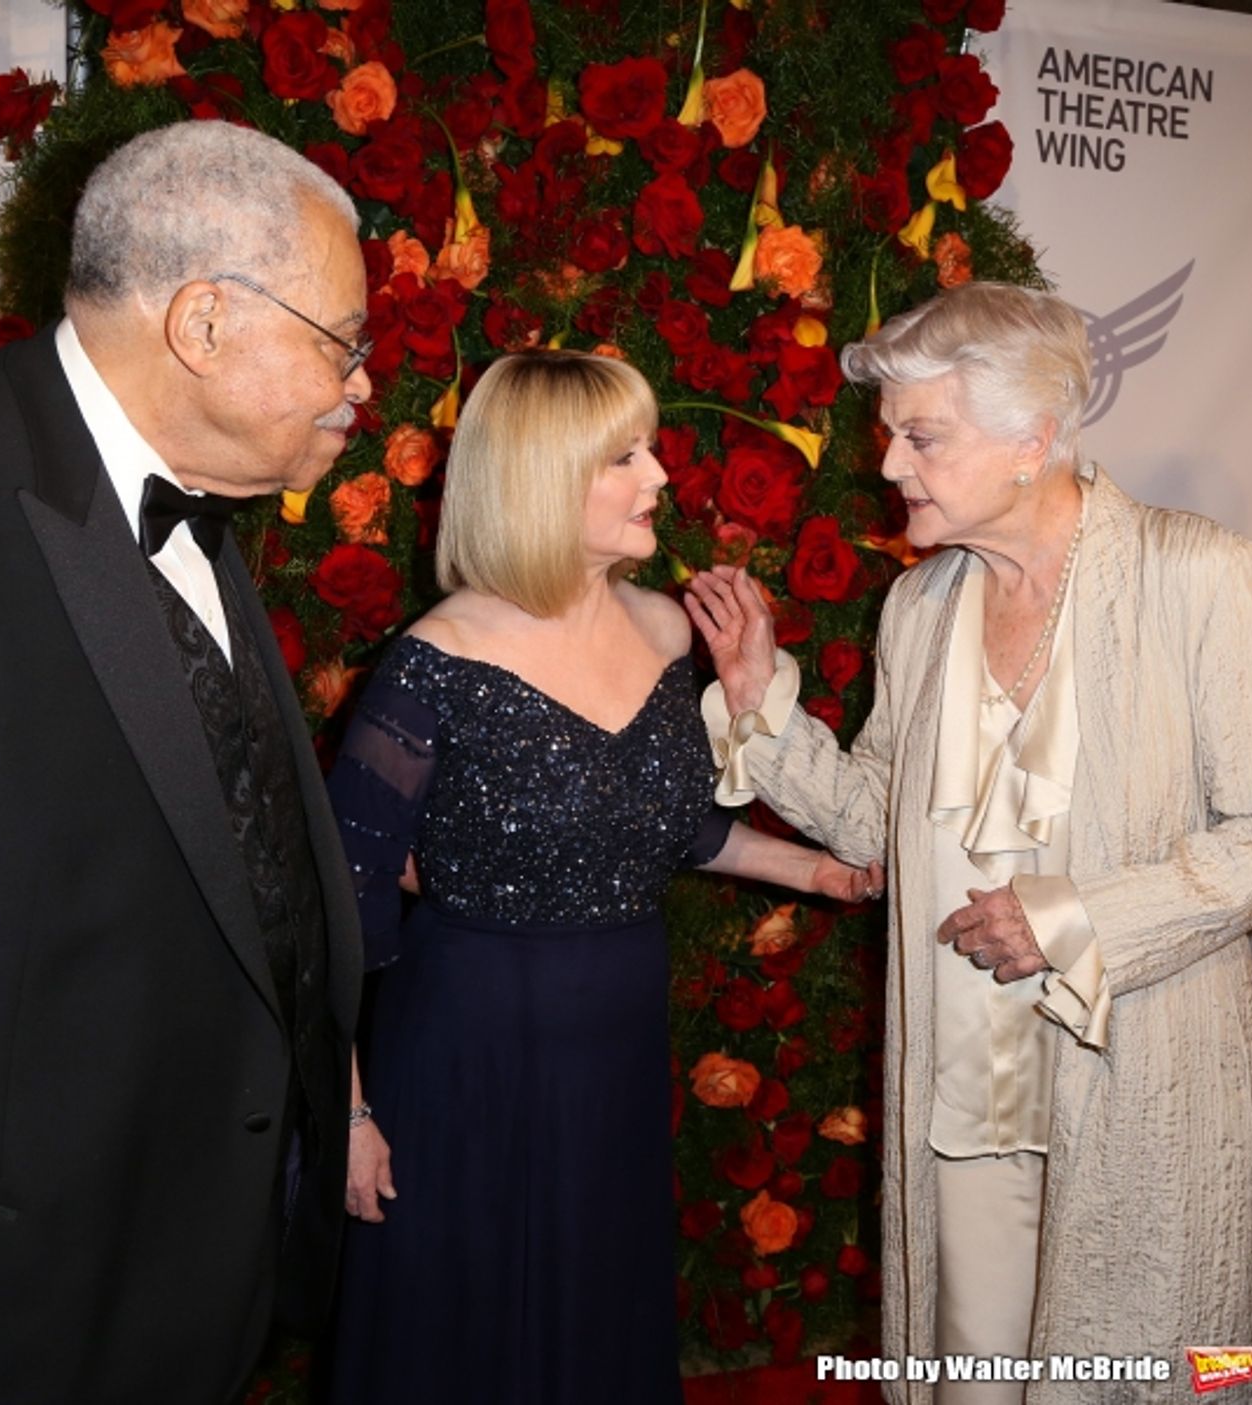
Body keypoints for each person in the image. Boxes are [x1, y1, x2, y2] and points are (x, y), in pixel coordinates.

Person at [686, 282, 1252, 1404]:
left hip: (1132, 1094)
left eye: (922, 436)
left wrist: (1070, 920)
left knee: (1140, 1375)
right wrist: (759, 702)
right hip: (962, 1105)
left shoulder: (1193, 575)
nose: (891, 466)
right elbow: (880, 822)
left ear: (1033, 439)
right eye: (889, 437)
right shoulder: (919, 606)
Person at [0, 120, 373, 1404]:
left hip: (198, 1276)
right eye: (341, 341)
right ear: (204, 323)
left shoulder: (198, 501)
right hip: (3, 1312)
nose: (360, 384)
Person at [321, 350, 883, 1405]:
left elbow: (680, 832)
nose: (660, 477)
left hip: (612, 1051)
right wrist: (350, 1117)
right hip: (462, 1054)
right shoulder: (432, 660)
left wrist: (825, 869)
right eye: (622, 456)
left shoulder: (668, 630)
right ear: (540, 475)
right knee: (461, 1337)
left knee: (593, 1324)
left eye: (649, 448)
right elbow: (336, 909)